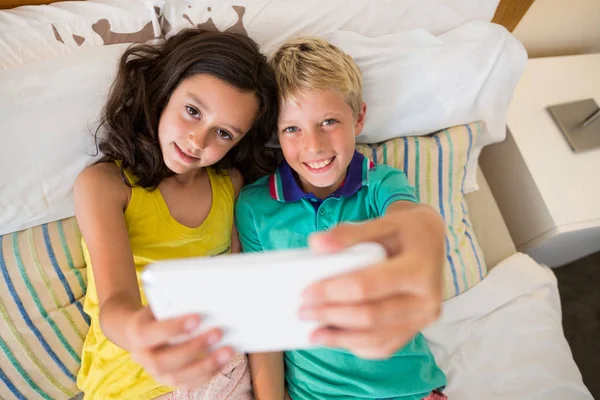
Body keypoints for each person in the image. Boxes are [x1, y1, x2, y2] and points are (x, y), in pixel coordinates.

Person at [235, 37, 448, 400]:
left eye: (329, 121)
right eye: (292, 129)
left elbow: (409, 218)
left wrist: (424, 231)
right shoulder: (255, 207)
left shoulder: (381, 183)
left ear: (359, 117)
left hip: (410, 390)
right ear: (275, 133)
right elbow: (263, 324)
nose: (314, 146)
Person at [74, 28, 279, 400]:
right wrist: (141, 331)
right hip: (131, 382)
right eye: (192, 111)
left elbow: (247, 302)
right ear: (164, 90)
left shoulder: (230, 186)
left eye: (224, 133)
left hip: (221, 370)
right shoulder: (105, 186)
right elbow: (115, 305)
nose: (197, 141)